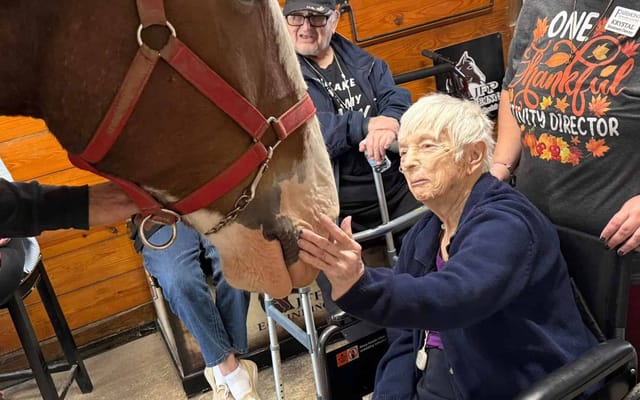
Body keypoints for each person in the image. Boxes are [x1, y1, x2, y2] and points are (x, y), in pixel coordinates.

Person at [297, 93, 598, 399]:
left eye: (426, 146)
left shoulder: (506, 224)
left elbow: (453, 297)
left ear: (473, 156)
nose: (410, 162)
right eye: (403, 151)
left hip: (515, 381)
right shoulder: (424, 233)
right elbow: (405, 338)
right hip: (440, 374)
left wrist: (360, 282)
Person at [0, 177, 260, 400]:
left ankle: (227, 369)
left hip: (215, 199)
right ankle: (233, 371)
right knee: (177, 278)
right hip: (158, 214)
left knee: (236, 256)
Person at [492, 0, 640, 344]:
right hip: (541, 243)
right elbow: (514, 87)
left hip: (621, 259)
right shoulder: (540, 5)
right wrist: (499, 167)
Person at [283, 0, 421, 247]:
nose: (305, 27)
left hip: (397, 188)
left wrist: (390, 123)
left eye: (316, 17)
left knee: (428, 255)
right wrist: (365, 126)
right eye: (295, 17)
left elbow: (396, 97)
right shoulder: (280, 76)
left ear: (335, 19)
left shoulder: (364, 62)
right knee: (351, 282)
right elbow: (306, 132)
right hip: (337, 207)